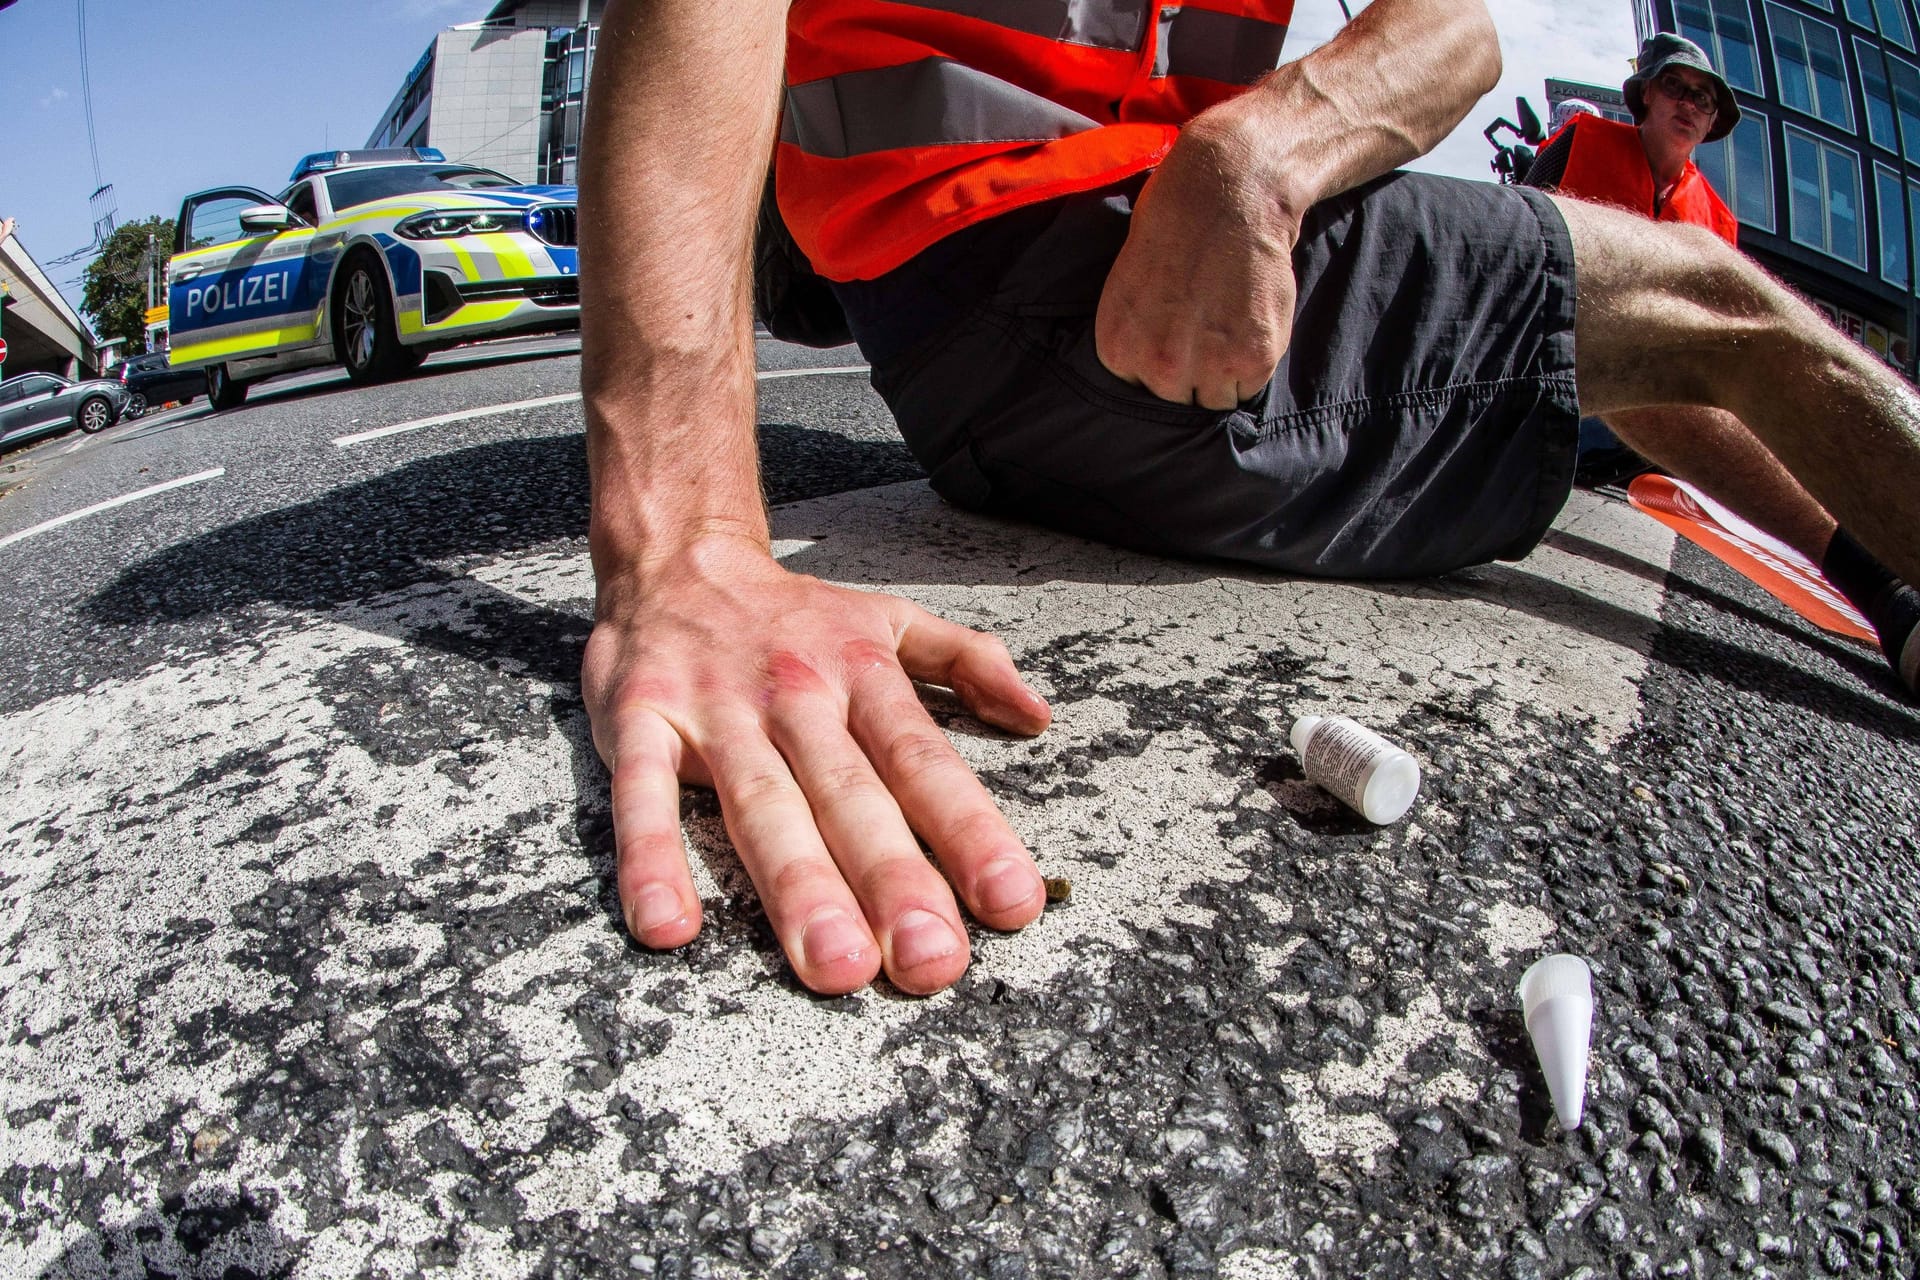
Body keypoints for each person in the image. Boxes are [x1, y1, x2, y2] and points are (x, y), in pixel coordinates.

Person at [577, 0, 1920, 998]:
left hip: (1021, 343)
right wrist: (688, 546)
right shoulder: (1610, 140)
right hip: (1066, 272)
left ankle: (1880, 586)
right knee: (1715, 306)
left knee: (1606, 321)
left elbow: (1453, 27)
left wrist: (1267, 147)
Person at [1524, 34, 1739, 480]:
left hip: (1630, 399)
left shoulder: (1719, 223)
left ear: (1712, 119)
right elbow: (1517, 232)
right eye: (1674, 87)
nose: (1688, 104)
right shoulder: (1580, 142)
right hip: (1539, 354)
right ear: (1647, 94)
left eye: (1702, 98)